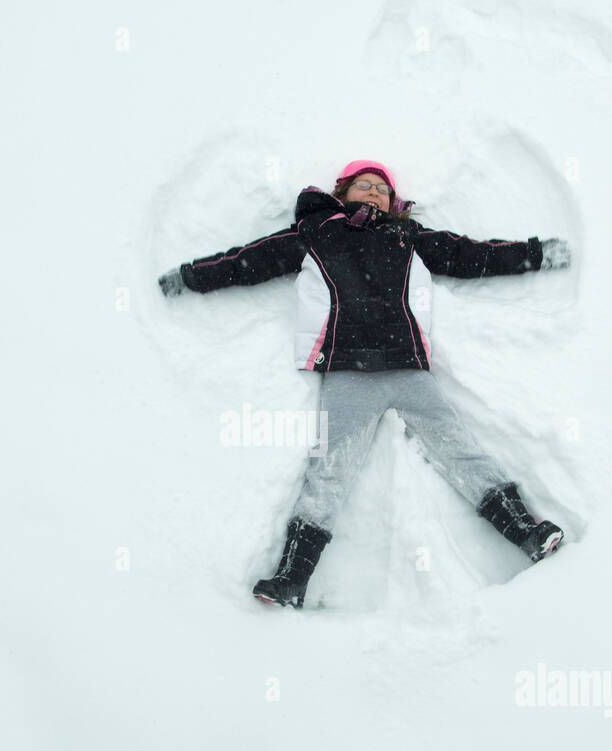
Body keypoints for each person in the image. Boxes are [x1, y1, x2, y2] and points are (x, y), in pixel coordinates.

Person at [158, 159, 572, 609]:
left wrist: (534, 253)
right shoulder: (315, 232)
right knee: (328, 475)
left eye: (381, 188)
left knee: (461, 451)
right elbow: (248, 260)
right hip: (348, 373)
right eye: (364, 185)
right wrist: (192, 276)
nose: (373, 192)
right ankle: (292, 578)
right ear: (343, 191)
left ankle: (527, 533)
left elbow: (473, 254)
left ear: (393, 201)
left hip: (407, 368)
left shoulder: (408, 236)